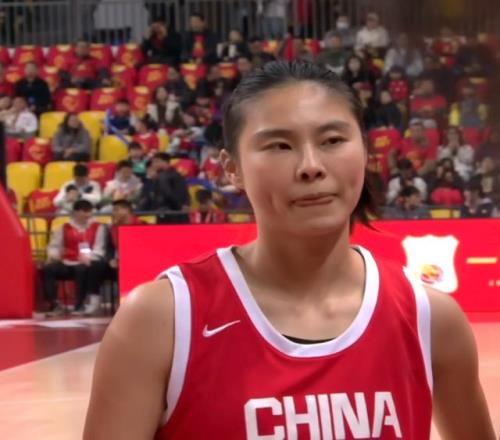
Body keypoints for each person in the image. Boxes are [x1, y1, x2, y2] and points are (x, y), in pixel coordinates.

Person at [84, 61, 495, 439]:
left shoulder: (430, 318)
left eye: (332, 140)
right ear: (232, 168)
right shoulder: (163, 320)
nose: (310, 165)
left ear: (365, 151)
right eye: (279, 145)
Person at [43, 200, 108, 316]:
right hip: (67, 261)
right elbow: (54, 245)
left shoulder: (98, 227)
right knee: (48, 269)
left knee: (81, 270)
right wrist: (53, 255)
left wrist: (89, 257)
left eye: (89, 211)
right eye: (84, 211)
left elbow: (99, 247)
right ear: (76, 212)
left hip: (87, 262)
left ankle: (79, 305)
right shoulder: (64, 227)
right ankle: (55, 305)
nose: (88, 214)